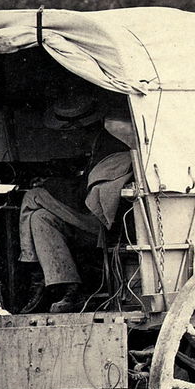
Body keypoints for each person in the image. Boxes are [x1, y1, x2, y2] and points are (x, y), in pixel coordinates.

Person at [17, 91, 136, 312]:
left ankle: (34, 274)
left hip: (101, 227)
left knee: (31, 196)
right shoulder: (99, 147)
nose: (67, 138)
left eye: (69, 133)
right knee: (39, 217)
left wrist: (48, 184)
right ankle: (69, 288)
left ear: (81, 129)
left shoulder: (110, 149)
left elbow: (84, 199)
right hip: (94, 223)